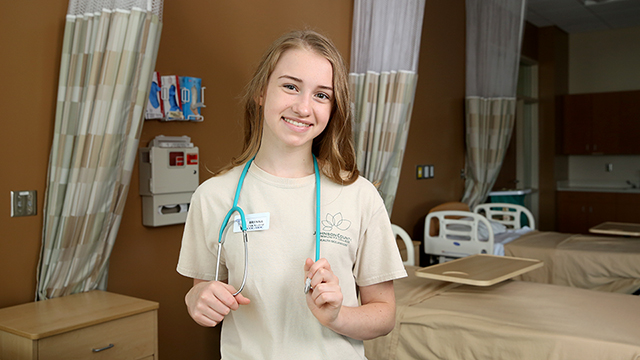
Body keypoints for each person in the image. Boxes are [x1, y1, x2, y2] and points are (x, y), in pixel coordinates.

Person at [177, 29, 407, 359]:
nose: (303, 107)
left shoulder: (359, 195)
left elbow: (384, 314)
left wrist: (337, 316)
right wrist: (196, 300)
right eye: (291, 86)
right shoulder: (214, 196)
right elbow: (201, 289)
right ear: (261, 91)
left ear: (333, 109)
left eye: (321, 95)